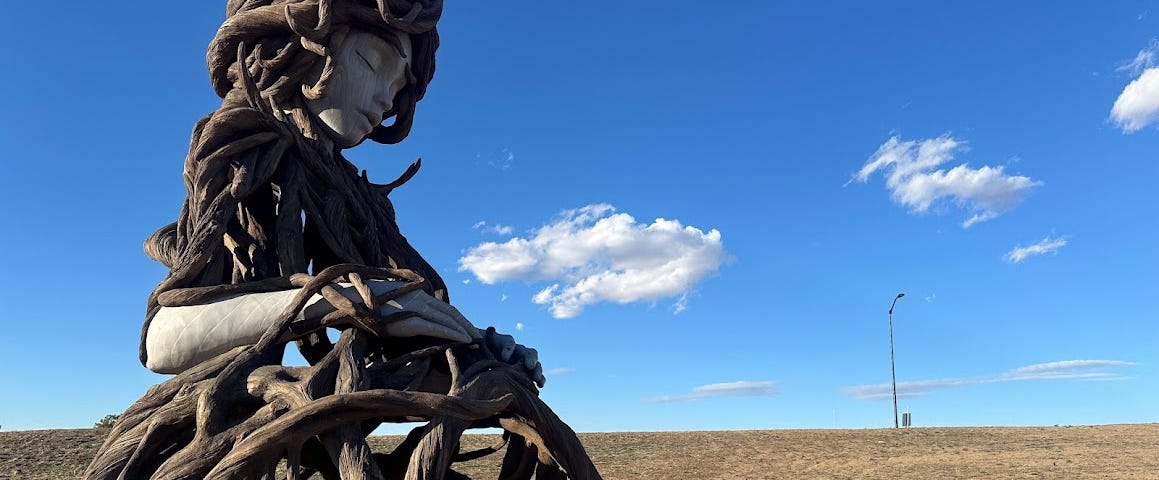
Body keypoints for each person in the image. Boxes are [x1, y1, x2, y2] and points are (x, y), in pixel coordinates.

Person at [139, 0, 542, 385]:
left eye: (398, 85)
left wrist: (479, 350)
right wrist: (349, 301)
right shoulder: (237, 152)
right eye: (372, 62)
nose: (385, 99)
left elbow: (396, 354)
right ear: (303, 46)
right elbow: (161, 343)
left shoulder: (356, 202)